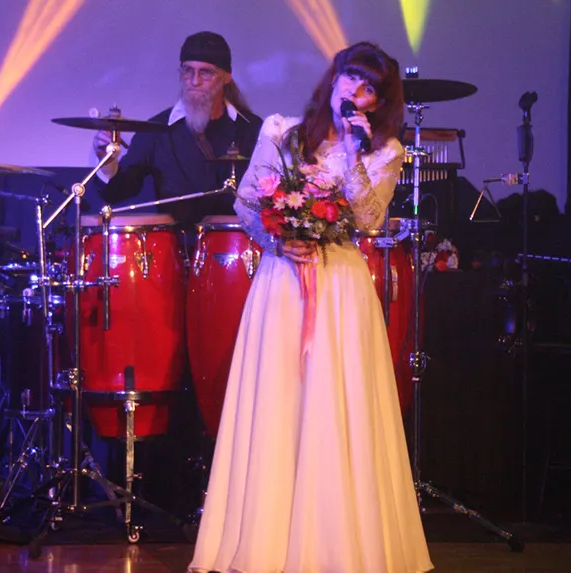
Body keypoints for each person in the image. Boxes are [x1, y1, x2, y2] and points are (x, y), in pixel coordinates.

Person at [188, 42, 433, 573]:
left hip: (341, 283)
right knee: (280, 398)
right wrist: (279, 240)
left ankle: (337, 543)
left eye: (369, 87)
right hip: (282, 280)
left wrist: (354, 151)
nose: (356, 93)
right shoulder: (283, 131)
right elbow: (247, 201)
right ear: (334, 79)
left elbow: (367, 219)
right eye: (351, 79)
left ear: (379, 100)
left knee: (334, 399)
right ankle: (267, 540)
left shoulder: (385, 150)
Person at [92, 31, 262, 225]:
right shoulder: (156, 130)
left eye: (206, 72)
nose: (194, 81)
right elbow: (117, 192)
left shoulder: (252, 129)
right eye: (187, 70)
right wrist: (106, 161)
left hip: (238, 248)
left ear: (226, 77)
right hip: (173, 249)